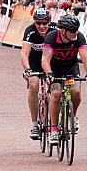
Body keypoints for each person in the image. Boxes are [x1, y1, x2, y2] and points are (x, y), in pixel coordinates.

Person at [41, 15, 87, 145]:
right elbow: (45, 59)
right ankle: (53, 130)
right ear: (63, 31)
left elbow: (85, 56)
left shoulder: (79, 37)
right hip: (54, 69)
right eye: (72, 31)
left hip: (71, 68)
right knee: (56, 94)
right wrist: (48, 73)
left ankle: (73, 115)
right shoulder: (52, 37)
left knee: (76, 92)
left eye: (76, 30)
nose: (75, 33)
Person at [21, 8, 56, 140]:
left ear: (49, 22)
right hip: (35, 61)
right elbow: (24, 53)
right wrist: (27, 69)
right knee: (34, 85)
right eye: (38, 23)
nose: (41, 26)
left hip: (51, 61)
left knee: (56, 88)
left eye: (44, 23)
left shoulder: (55, 29)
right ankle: (34, 124)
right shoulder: (29, 31)